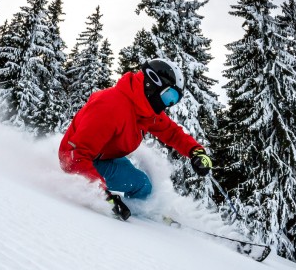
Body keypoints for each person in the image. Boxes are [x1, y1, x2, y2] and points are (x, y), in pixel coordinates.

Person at [58, 58, 213, 220]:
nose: (168, 104)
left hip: (105, 158)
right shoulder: (109, 106)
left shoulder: (145, 110)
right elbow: (74, 157)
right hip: (80, 161)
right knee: (138, 187)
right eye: (169, 96)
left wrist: (196, 151)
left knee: (143, 186)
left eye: (174, 100)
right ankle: (134, 222)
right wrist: (103, 197)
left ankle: (143, 213)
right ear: (153, 83)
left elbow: (171, 132)